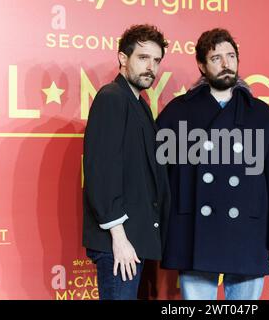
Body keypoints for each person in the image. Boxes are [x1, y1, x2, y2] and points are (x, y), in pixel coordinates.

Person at [156, 28, 269, 300]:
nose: (226, 63)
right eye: (216, 58)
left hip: (248, 232)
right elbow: (159, 177)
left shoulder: (263, 116)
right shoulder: (178, 111)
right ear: (201, 65)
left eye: (231, 56)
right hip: (194, 229)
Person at [82, 24, 170, 300]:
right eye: (143, 58)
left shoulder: (139, 105)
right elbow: (102, 173)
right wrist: (119, 239)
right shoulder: (111, 98)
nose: (151, 67)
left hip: (134, 241)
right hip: (118, 244)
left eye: (156, 61)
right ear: (123, 58)